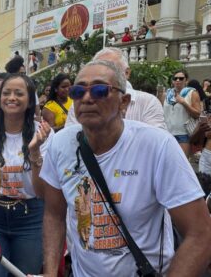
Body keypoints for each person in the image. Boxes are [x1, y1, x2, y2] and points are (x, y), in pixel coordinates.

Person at [40, 59, 211, 276]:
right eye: (77, 91)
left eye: (100, 90)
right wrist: (50, 271)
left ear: (124, 102)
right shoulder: (60, 143)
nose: (87, 98)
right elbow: (54, 215)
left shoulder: (157, 145)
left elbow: (201, 233)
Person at [0, 73, 52, 277]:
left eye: (19, 93)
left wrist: (34, 152)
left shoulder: (43, 134)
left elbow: (41, 191)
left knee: (24, 275)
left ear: (30, 99)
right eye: (6, 93)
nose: (11, 97)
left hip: (30, 218)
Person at [66, 47, 167, 130]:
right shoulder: (78, 104)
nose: (87, 99)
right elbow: (70, 140)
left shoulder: (148, 102)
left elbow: (157, 145)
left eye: (111, 68)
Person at [163, 70, 201, 157]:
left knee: (181, 164)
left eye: (181, 78)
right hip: (167, 133)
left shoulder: (192, 93)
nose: (177, 80)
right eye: (175, 78)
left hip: (183, 135)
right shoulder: (168, 93)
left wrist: (183, 103)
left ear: (186, 80)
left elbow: (197, 114)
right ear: (172, 81)